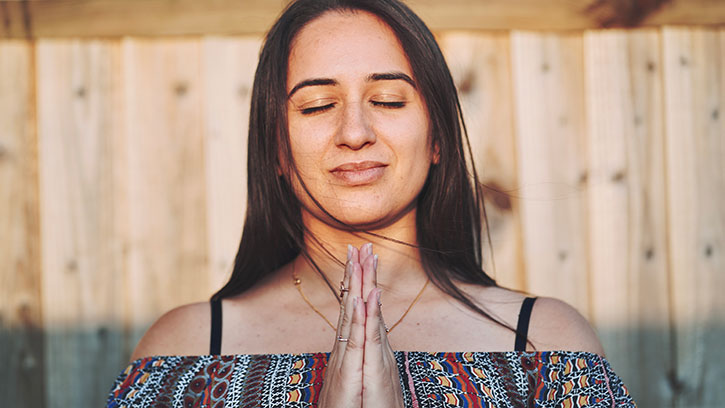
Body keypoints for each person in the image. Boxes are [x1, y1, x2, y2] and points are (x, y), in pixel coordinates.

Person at [107, 0, 636, 406]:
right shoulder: (189, 351)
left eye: (387, 100)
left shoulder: (545, 343)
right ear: (277, 149)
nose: (355, 132)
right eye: (316, 106)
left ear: (437, 139)